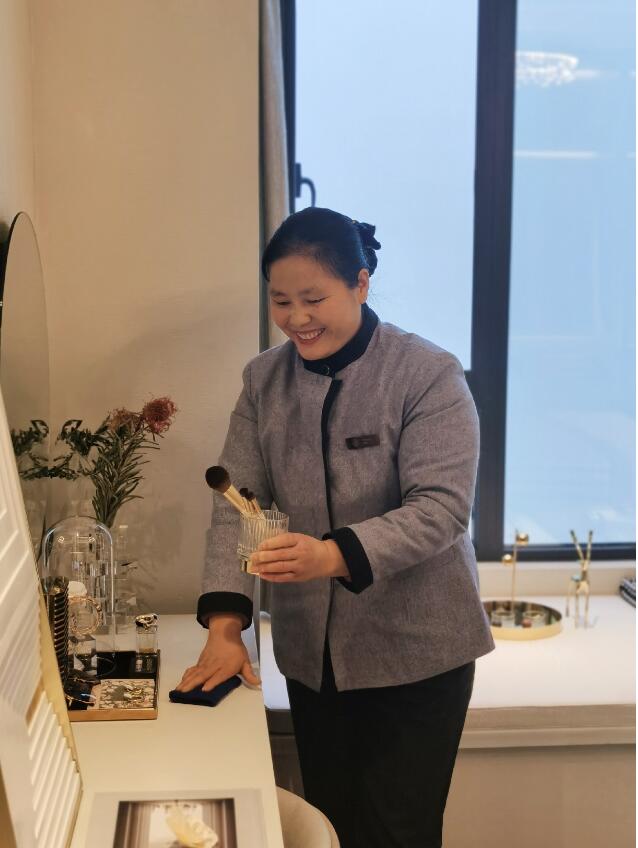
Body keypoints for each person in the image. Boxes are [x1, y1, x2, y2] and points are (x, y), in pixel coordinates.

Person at [177, 207, 495, 848]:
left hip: (419, 654)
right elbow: (236, 501)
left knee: (398, 834)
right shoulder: (264, 379)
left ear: (361, 283)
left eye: (314, 298)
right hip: (313, 660)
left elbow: (440, 508)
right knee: (329, 827)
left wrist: (329, 556)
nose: (297, 318)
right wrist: (226, 628)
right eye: (281, 301)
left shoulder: (427, 374)